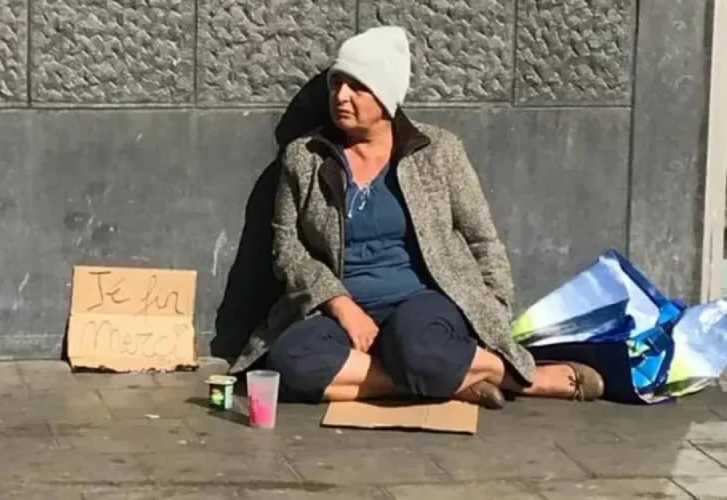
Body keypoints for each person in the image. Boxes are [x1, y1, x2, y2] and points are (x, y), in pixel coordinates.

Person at [228, 26, 605, 409]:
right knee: (291, 360)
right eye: (336, 84)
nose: (341, 96)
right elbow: (287, 248)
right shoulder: (304, 157)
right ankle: (457, 378)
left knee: (418, 347)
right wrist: (341, 305)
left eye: (357, 86)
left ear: (387, 94)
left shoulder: (438, 152)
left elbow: (481, 238)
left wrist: (493, 308)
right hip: (344, 306)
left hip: (421, 302)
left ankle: (522, 377)